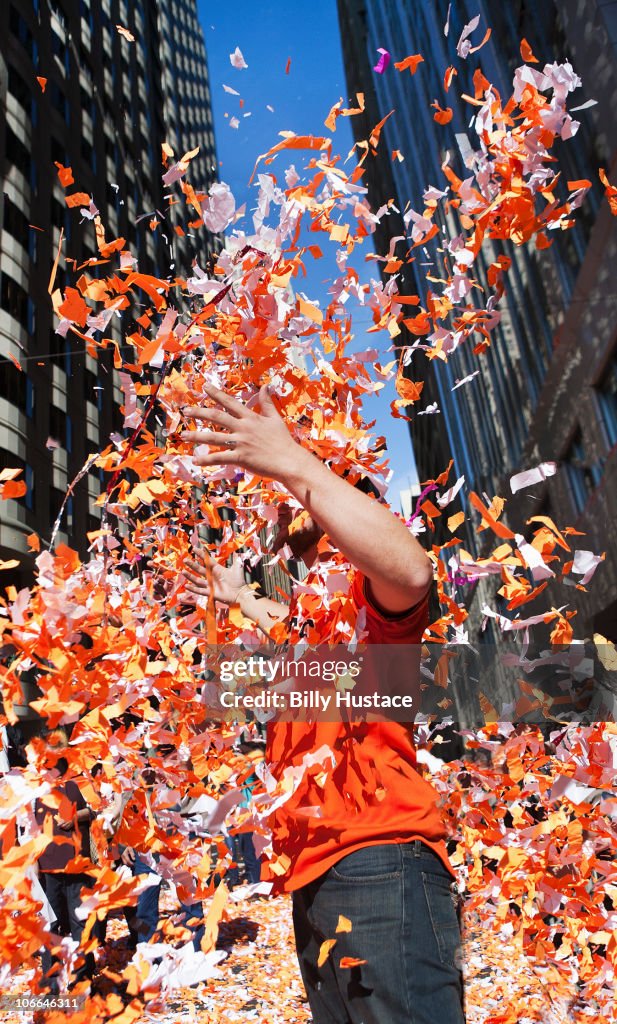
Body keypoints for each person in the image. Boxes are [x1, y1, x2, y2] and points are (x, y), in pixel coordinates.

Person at [181, 383, 465, 1024]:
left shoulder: (369, 602)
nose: (284, 508)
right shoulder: (315, 626)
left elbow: (413, 573)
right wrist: (238, 602)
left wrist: (294, 461)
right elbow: (287, 635)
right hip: (312, 879)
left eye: (305, 478)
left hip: (381, 859)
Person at [34, 730, 96, 994]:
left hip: (76, 864)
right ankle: (52, 986)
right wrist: (33, 861)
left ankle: (83, 981)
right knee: (51, 925)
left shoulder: (76, 780)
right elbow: (29, 825)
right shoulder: (35, 784)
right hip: (47, 867)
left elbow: (93, 810)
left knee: (80, 922)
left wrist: (75, 817)